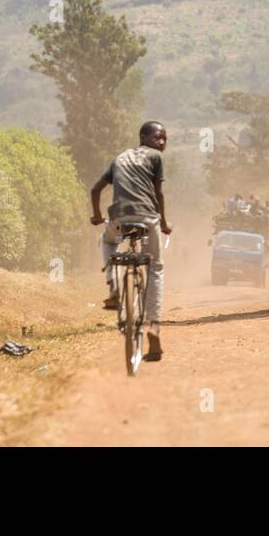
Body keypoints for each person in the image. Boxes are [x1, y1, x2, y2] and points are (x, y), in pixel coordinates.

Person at [91, 121, 170, 362]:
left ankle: (114, 288)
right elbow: (158, 194)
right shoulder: (155, 157)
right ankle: (154, 327)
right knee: (155, 267)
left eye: (164, 139)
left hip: (119, 217)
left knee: (107, 243)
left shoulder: (120, 158)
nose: (162, 142)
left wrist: (96, 216)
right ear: (143, 137)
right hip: (148, 218)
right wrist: (164, 224)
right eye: (158, 137)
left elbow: (95, 190)